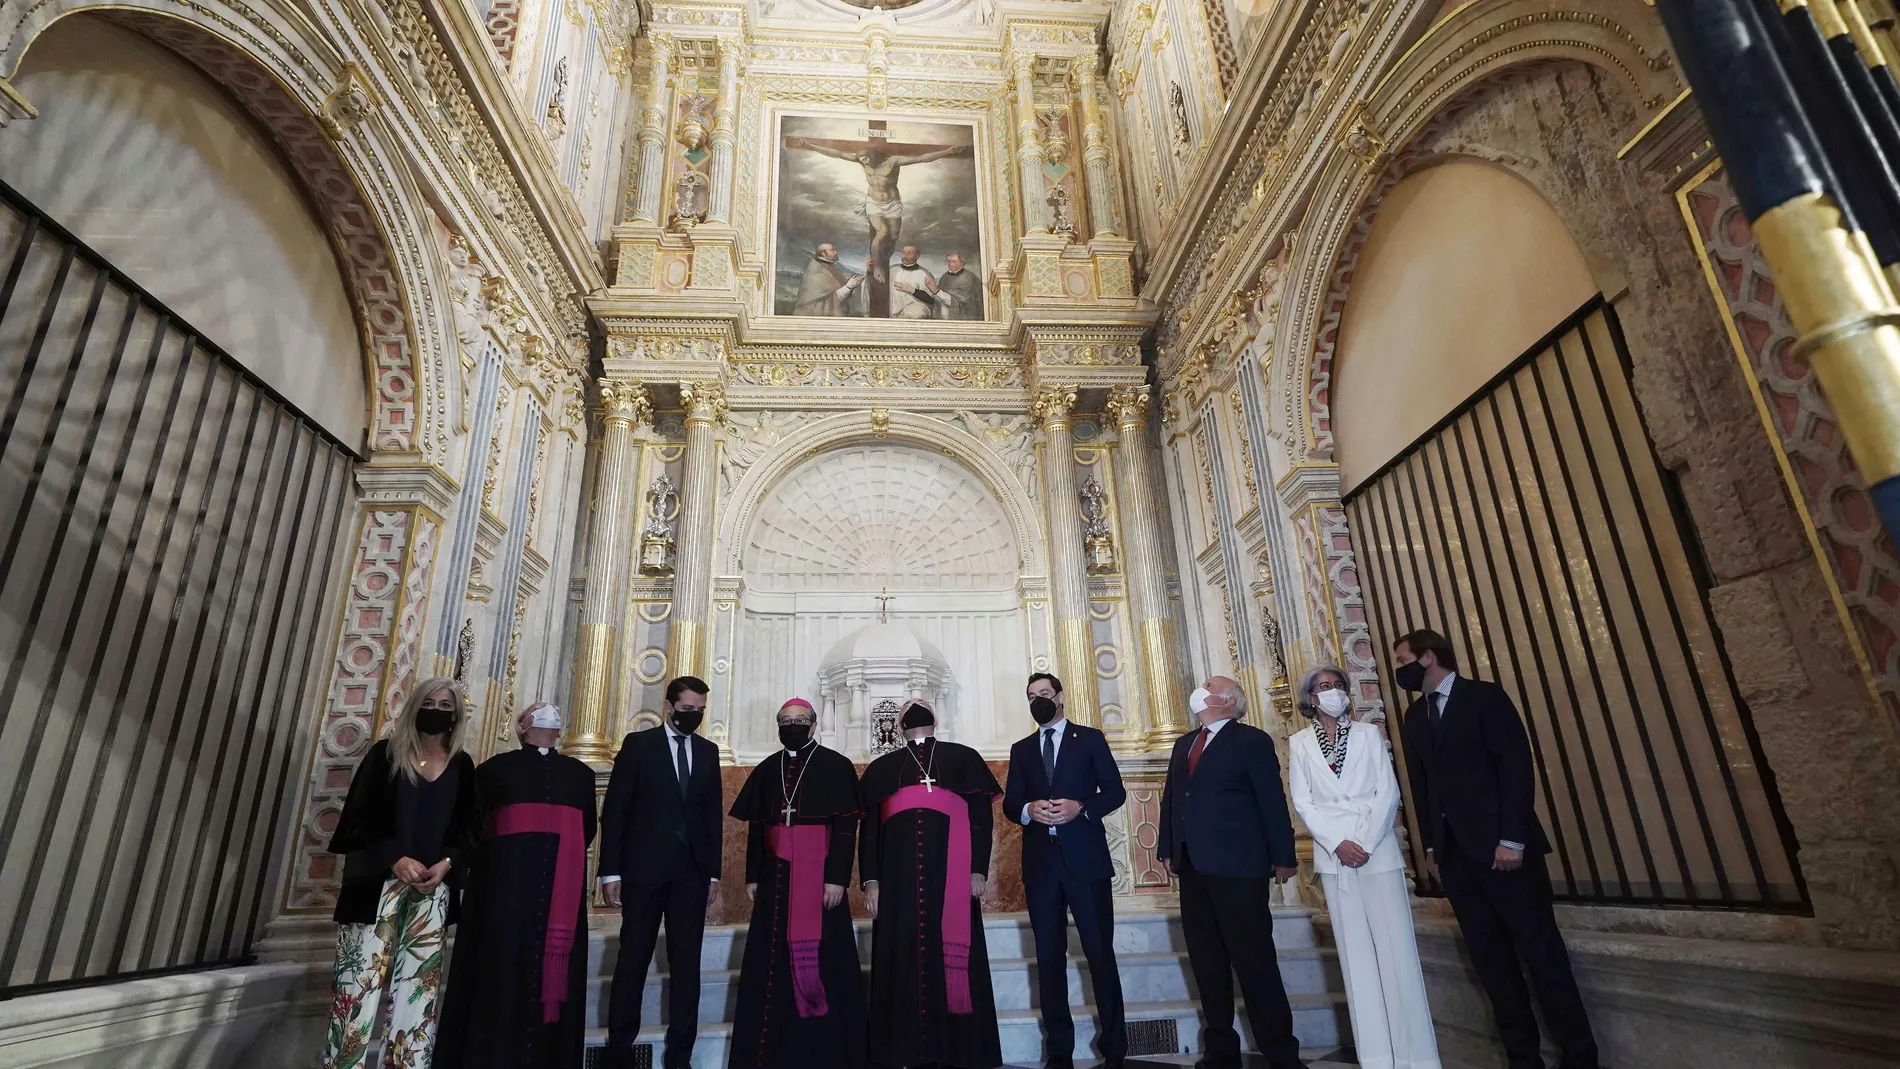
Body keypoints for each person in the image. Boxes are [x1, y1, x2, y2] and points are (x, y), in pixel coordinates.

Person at [1393, 630, 1596, 1069]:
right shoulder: (1415, 718)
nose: (1400, 670)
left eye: (1404, 660)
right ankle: (1523, 1058)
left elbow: (1516, 768)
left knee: (1542, 957)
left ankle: (1580, 1057)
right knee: (1492, 964)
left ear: (1429, 658)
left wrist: (1512, 838)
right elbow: (1423, 787)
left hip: (1505, 852)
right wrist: (1431, 846)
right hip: (1457, 858)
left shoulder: (1484, 698)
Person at [322, 679, 479, 1069]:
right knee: (356, 992)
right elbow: (359, 819)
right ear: (415, 707)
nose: (438, 710)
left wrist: (447, 863)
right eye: (430, 702)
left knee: (416, 997)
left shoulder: (462, 764)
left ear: (456, 714)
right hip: (378, 884)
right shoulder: (385, 755)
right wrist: (395, 858)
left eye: (446, 704)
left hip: (432, 890)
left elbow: (468, 827)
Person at [1288, 667, 1440, 1069]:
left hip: (1376, 852)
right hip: (1336, 856)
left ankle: (1417, 1058)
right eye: (1325, 687)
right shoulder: (1300, 743)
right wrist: (1339, 843)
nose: (1334, 692)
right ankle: (1377, 1058)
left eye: (1339, 686)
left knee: (1397, 954)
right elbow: (1303, 801)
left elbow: (1388, 791)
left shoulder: (1368, 734)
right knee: (1356, 961)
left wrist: (1365, 842)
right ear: (1311, 697)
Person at [435, 702, 598, 1069]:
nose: (547, 713)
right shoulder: (492, 771)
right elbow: (473, 830)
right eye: (537, 711)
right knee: (499, 979)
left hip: (561, 896)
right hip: (502, 897)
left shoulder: (580, 775)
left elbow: (586, 830)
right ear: (520, 726)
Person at [1157, 676, 1306, 1069]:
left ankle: (1281, 1053)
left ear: (1225, 699)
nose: (1199, 688)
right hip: (1193, 867)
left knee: (1254, 961)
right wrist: (1168, 848)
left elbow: (1271, 800)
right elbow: (1173, 798)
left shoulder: (1252, 741)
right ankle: (1221, 1050)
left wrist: (1283, 856)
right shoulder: (1185, 743)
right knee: (1207, 963)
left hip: (1239, 868)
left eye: (1207, 684)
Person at [857, 698, 1004, 1069]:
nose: (915, 709)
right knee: (900, 956)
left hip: (951, 876)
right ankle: (901, 1050)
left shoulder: (963, 757)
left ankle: (962, 1049)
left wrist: (978, 870)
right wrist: (871, 882)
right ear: (899, 724)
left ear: (936, 720)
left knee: (955, 957)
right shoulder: (883, 768)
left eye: (921, 705)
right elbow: (870, 832)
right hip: (897, 881)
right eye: (909, 707)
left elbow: (980, 822)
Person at [726, 699, 867, 1069]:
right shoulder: (768, 768)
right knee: (771, 962)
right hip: (775, 876)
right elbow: (758, 826)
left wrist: (836, 879)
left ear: (814, 725)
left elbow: (845, 828)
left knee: (824, 961)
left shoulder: (836, 766)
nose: (793, 726)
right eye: (786, 721)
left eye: (800, 721)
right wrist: (753, 875)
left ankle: (823, 1050)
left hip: (819, 877)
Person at [1001, 673, 1128, 1069]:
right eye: (1031, 696)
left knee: (1099, 954)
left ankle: (1114, 1049)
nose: (1038, 700)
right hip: (1041, 864)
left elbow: (1114, 790)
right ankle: (1059, 1050)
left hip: (1085, 862)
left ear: (1059, 697)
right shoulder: (1022, 749)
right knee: (1049, 957)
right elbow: (1011, 804)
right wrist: (1027, 811)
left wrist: (1081, 807)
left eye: (1044, 694)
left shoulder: (1089, 739)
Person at [598, 677, 725, 1069]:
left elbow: (711, 816)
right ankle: (619, 1052)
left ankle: (680, 1056)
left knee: (687, 967)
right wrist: (609, 872)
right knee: (632, 961)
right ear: (669, 706)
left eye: (700, 710)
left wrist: (713, 874)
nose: (695, 716)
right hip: (643, 871)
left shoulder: (708, 751)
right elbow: (616, 810)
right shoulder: (639, 746)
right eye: (688, 710)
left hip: (691, 874)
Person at [793, 242, 864, 316]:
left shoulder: (829, 267)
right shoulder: (815, 273)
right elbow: (829, 299)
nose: (836, 252)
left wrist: (846, 282)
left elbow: (834, 284)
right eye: (832, 250)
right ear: (823, 254)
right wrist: (848, 287)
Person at [889, 245, 939, 319]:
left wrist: (912, 290)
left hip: (913, 309)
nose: (905, 255)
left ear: (917, 256)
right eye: (904, 253)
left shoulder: (924, 274)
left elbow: (931, 299)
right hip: (892, 308)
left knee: (916, 314)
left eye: (909, 253)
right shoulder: (891, 270)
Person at [932, 250, 984, 320]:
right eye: (948, 261)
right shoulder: (945, 277)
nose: (950, 264)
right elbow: (939, 299)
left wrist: (936, 291)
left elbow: (958, 302)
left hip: (964, 317)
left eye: (954, 261)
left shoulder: (968, 277)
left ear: (962, 263)